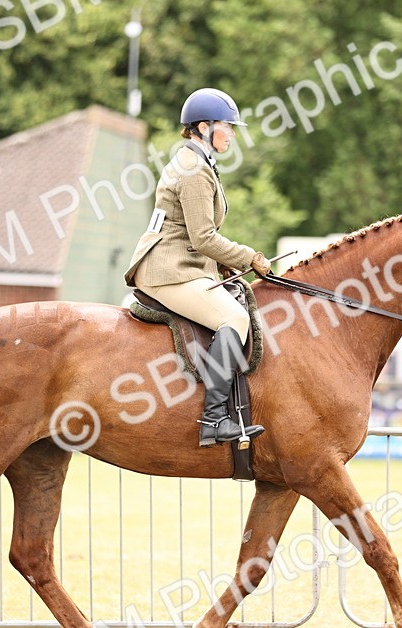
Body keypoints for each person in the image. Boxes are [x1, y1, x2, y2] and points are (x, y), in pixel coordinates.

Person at [124, 88, 269, 447]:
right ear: (204, 127)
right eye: (227, 127)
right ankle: (214, 419)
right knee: (233, 318)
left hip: (184, 264)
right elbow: (203, 237)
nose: (233, 134)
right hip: (170, 270)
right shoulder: (193, 171)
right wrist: (249, 257)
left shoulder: (196, 163)